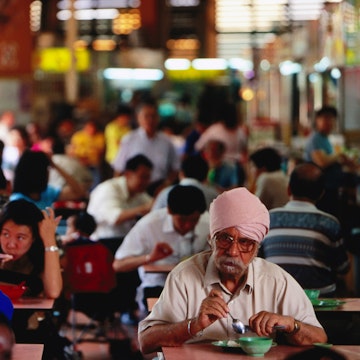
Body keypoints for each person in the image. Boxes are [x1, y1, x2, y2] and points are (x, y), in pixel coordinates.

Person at [138, 187, 327, 354]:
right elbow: (146, 342)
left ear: (257, 247)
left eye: (245, 242)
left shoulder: (276, 280)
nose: (233, 251)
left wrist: (290, 325)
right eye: (224, 238)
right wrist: (194, 325)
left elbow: (319, 338)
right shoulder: (184, 276)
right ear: (211, 238)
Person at [113, 185, 209, 315]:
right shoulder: (149, 225)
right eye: (182, 220)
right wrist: (149, 258)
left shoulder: (208, 222)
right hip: (159, 286)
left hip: (197, 286)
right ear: (169, 210)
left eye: (193, 220)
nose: (188, 225)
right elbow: (118, 265)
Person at [260, 163, 350, 296]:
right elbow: (343, 268)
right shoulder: (330, 223)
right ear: (321, 193)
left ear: (288, 189)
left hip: (276, 297)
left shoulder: (268, 218)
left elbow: (258, 261)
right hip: (319, 299)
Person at [112, 97, 180, 196]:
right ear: (138, 118)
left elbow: (175, 168)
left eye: (153, 116)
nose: (150, 120)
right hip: (134, 191)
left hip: (159, 190)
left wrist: (166, 185)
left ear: (158, 118)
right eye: (146, 116)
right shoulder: (129, 139)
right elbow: (119, 169)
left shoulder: (166, 141)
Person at [303, 105, 358, 217]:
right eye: (325, 119)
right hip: (323, 187)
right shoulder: (315, 139)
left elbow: (332, 159)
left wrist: (344, 160)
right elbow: (321, 162)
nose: (329, 122)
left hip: (333, 185)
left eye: (331, 119)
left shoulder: (326, 139)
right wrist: (339, 155)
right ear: (317, 121)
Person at [87, 154, 154, 243]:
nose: (146, 182)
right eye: (143, 177)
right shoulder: (108, 189)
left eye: (148, 178)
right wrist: (145, 208)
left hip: (124, 242)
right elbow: (115, 218)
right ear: (128, 174)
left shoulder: (139, 193)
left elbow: (153, 208)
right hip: (103, 243)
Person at [10, 150, 87, 210]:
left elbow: (79, 192)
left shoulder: (46, 192)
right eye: (46, 169)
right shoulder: (18, 200)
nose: (49, 173)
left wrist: (54, 165)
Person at [151, 154, 219, 211]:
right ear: (206, 177)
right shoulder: (214, 196)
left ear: (181, 174)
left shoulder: (165, 193)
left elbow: (153, 218)